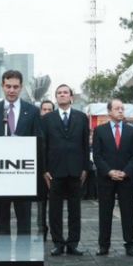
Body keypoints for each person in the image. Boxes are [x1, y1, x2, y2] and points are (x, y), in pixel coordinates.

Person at [0, 70, 42, 234]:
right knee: (1, 218)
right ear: (2, 86)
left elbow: (38, 140)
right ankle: (2, 250)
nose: (11, 90)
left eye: (15, 87)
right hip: (0, 175)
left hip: (24, 174)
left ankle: (24, 249)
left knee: (24, 218)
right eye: (8, 86)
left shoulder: (32, 111)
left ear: (21, 87)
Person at [41, 86, 89, 256]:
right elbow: (43, 145)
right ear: (56, 97)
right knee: (55, 210)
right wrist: (44, 169)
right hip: (54, 171)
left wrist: (85, 168)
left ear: (71, 97)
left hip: (76, 170)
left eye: (65, 92)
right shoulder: (48, 119)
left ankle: (73, 243)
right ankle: (58, 243)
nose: (62, 95)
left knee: (75, 210)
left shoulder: (81, 117)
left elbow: (85, 144)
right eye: (59, 93)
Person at [93, 99, 133, 256]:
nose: (120, 111)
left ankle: (130, 244)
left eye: (122, 108)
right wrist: (109, 172)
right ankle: (104, 245)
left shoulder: (132, 131)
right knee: (105, 212)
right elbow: (97, 156)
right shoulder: (100, 130)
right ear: (109, 111)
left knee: (128, 212)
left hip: (126, 179)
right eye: (117, 108)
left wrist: (125, 172)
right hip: (106, 178)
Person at [38, 100, 55, 241]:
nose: (47, 112)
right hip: (38, 171)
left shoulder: (57, 126)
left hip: (54, 170)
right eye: (44, 109)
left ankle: (55, 233)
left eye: (50, 110)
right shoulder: (36, 126)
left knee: (55, 204)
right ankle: (42, 230)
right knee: (41, 204)